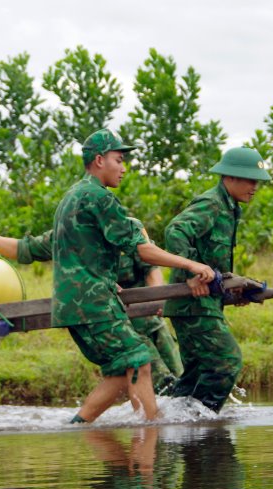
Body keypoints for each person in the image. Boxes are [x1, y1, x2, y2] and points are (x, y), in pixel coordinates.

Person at [51, 128, 214, 424]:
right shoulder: (99, 198)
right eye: (119, 160)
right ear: (100, 160)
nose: (124, 168)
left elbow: (78, 253)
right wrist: (191, 264)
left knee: (120, 368)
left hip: (78, 300)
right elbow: (143, 250)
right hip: (92, 302)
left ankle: (77, 427)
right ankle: (151, 430)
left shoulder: (73, 196)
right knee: (139, 357)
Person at [0, 215, 183, 393]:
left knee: (180, 379)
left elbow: (150, 267)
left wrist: (154, 302)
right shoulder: (67, 234)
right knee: (161, 383)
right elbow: (22, 249)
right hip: (117, 323)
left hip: (149, 319)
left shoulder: (124, 226)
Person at [162, 147, 271, 412]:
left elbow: (214, 261)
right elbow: (175, 231)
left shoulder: (230, 208)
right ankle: (203, 420)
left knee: (197, 373)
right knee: (227, 361)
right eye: (249, 180)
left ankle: (173, 423)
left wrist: (233, 292)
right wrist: (194, 271)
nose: (255, 187)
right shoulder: (212, 203)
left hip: (202, 303)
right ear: (229, 177)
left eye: (257, 181)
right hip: (193, 304)